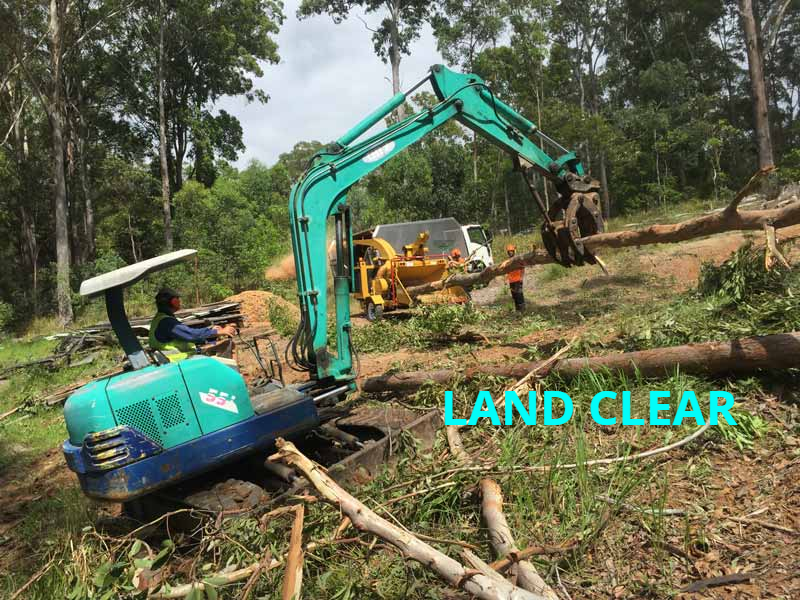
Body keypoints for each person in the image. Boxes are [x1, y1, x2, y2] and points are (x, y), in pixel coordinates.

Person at [148, 288, 236, 361]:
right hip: (179, 361)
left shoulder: (160, 319)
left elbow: (184, 335)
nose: (180, 301)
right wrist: (216, 331)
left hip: (175, 359)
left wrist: (212, 332)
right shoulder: (166, 321)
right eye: (178, 299)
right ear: (174, 301)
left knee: (214, 346)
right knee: (225, 346)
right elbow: (191, 335)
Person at [505, 244, 525, 311]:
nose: (510, 252)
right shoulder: (507, 261)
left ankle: (522, 310)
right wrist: (506, 279)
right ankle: (518, 310)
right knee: (514, 296)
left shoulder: (517, 259)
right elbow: (507, 271)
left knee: (519, 295)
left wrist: (521, 278)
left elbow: (522, 269)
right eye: (509, 251)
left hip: (518, 280)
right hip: (511, 281)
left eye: (511, 251)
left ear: (514, 251)